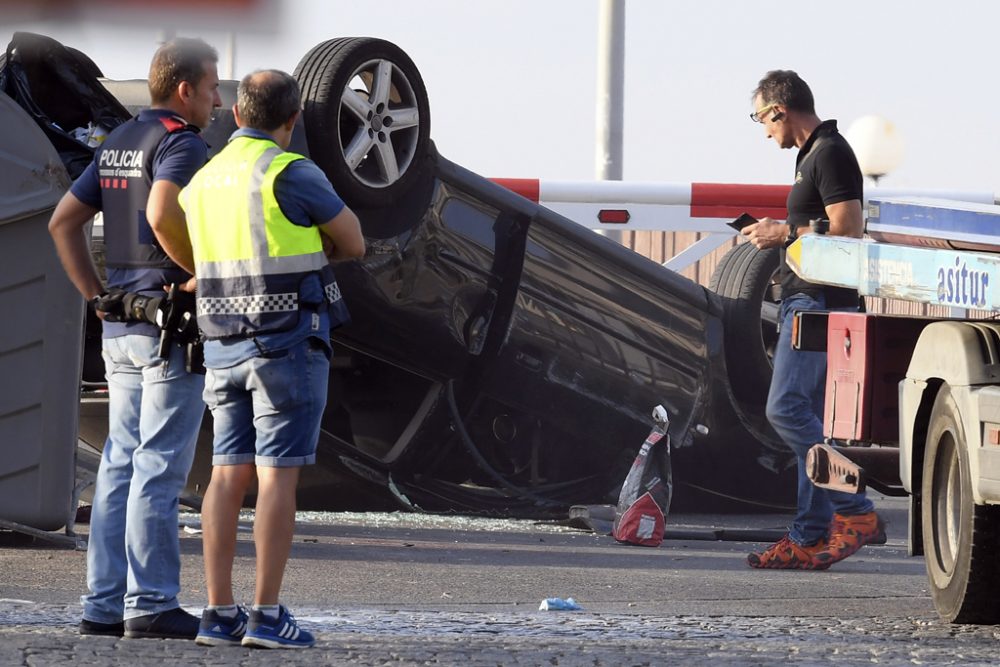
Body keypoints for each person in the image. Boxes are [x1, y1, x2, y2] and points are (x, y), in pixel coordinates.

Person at [177, 69, 364, 649]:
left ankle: (217, 613)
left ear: (236, 114)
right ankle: (266, 614)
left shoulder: (204, 180)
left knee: (225, 475)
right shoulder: (290, 171)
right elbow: (353, 241)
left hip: (221, 345)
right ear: (293, 120)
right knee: (277, 477)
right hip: (285, 343)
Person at [47, 38, 221, 637]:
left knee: (119, 463)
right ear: (184, 90)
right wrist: (201, 272)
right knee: (159, 466)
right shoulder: (182, 142)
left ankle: (102, 602)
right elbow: (162, 212)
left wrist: (95, 295)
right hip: (170, 328)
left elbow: (62, 222)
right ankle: (149, 602)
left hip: (121, 324)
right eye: (213, 86)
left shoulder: (118, 141)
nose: (217, 99)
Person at [742, 70, 883, 570]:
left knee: (785, 411)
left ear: (779, 109)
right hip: (813, 301)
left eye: (760, 118)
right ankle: (807, 534)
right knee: (812, 424)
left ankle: (855, 509)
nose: (762, 130)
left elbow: (848, 227)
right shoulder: (812, 156)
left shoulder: (829, 151)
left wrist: (784, 232)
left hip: (819, 303)